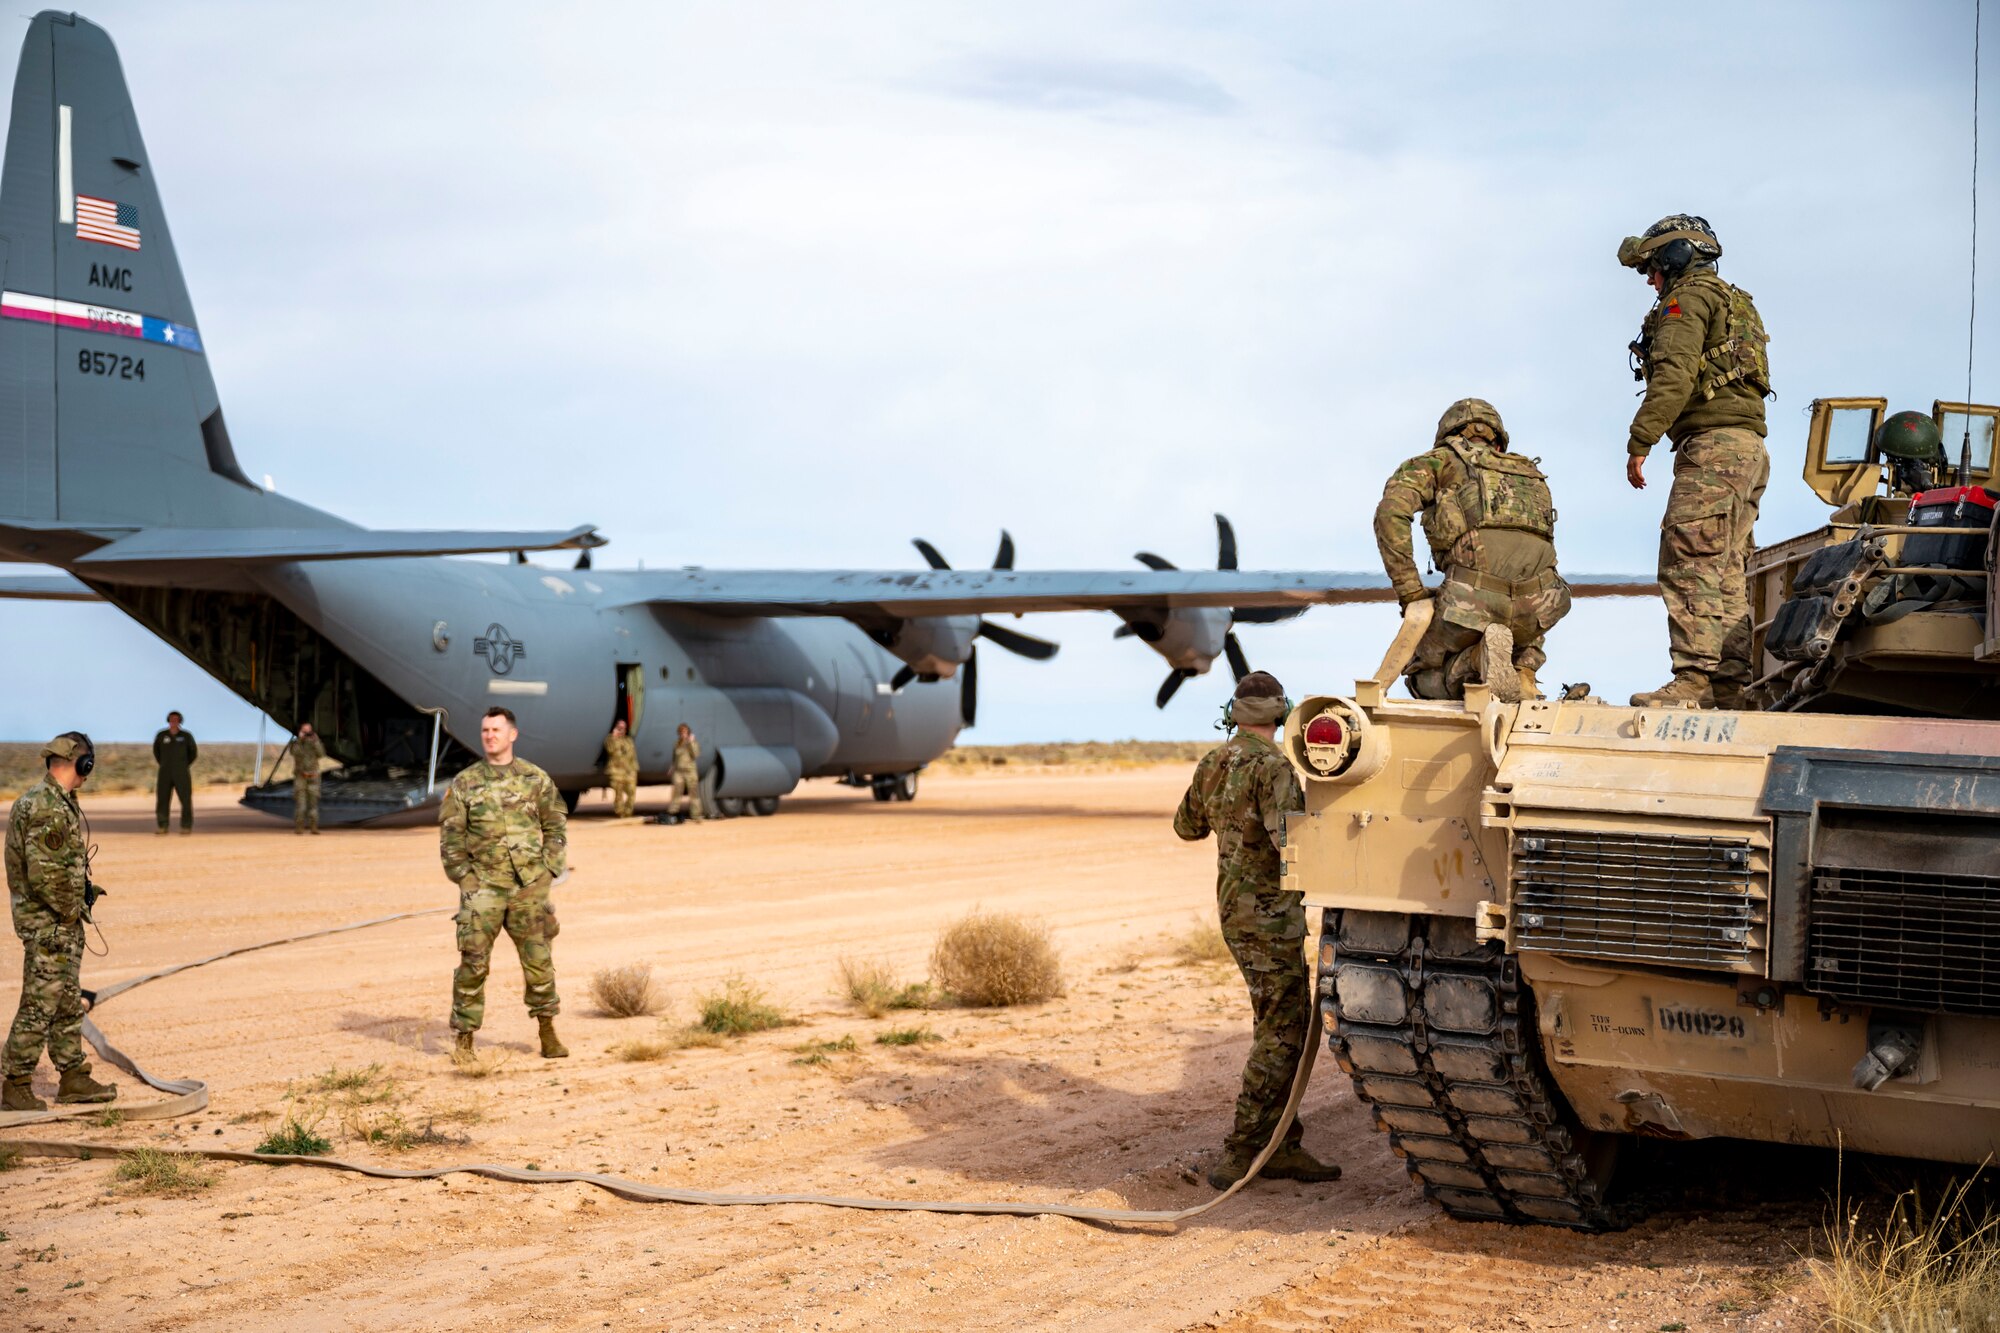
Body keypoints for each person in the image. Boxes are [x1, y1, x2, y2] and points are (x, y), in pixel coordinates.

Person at [1173, 672, 1340, 1189]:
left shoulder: (1212, 763)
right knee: (1282, 1030)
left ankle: (1282, 1143)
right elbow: (1290, 843)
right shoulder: (1274, 769)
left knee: (1274, 1021)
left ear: (1236, 712)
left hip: (1234, 912)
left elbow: (1186, 827)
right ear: (1280, 714)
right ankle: (1243, 1150)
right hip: (1269, 917)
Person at [1618, 213, 1772, 708]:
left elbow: (1675, 376)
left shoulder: (1687, 301)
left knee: (1688, 561)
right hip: (1748, 451)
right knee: (1726, 570)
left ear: (1675, 259)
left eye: (1653, 267)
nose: (1650, 279)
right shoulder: (1735, 300)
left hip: (1713, 451)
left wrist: (1641, 440)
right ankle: (1729, 686)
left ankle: (1692, 683)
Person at [1374, 397, 1569, 702]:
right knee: (1521, 607)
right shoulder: (1527, 473)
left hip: (1468, 601)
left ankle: (1477, 660)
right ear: (1498, 441)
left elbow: (1390, 514)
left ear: (1450, 435)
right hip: (1542, 607)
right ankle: (1525, 675)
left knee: (1422, 677)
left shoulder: (1438, 461)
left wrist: (1410, 592)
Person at [438, 707, 568, 1061]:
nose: (489, 735)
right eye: (485, 730)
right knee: (473, 964)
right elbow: (451, 838)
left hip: (529, 887)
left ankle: (547, 1032)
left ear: (513, 734)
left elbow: (556, 824)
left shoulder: (535, 778)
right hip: (484, 888)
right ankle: (464, 1040)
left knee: (539, 961)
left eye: (496, 729)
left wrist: (548, 872)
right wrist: (465, 879)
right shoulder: (465, 783)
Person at [3, 734, 117, 1110]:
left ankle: (73, 1078)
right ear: (79, 762)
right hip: (49, 927)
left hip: (60, 924)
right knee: (39, 1005)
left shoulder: (58, 802)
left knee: (67, 1002)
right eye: (89, 762)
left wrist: (83, 892)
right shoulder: (46, 807)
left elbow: (57, 869)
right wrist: (71, 908)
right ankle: (15, 1082)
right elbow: (45, 877)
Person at [152, 710, 197, 835]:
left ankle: (186, 826)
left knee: (186, 799)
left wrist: (183, 765)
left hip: (181, 772)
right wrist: (164, 763)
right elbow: (156, 752)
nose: (173, 721)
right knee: (162, 799)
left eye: (176, 719)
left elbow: (193, 753)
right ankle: (162, 825)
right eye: (171, 719)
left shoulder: (186, 736)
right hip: (165, 772)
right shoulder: (162, 736)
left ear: (180, 721)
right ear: (168, 720)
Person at [663, 723, 704, 824]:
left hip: (690, 772)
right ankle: (673, 812)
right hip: (679, 771)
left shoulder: (693, 742)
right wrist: (672, 767)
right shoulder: (676, 744)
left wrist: (691, 742)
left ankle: (696, 815)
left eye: (685, 732)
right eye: (681, 732)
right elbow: (674, 757)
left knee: (693, 794)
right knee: (676, 792)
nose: (683, 734)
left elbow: (696, 754)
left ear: (688, 732)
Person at [293, 722, 325, 835]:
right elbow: (294, 752)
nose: (307, 733)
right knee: (301, 806)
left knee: (313, 805)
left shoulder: (314, 743)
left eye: (309, 730)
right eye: (305, 730)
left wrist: (316, 741)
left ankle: (314, 828)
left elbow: (321, 754)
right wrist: (300, 740)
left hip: (313, 777)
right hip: (301, 777)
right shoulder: (296, 743)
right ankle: (299, 828)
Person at [602, 717, 638, 819]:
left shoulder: (628, 740)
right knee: (618, 794)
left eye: (623, 728)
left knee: (632, 792)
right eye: (619, 728)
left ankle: (628, 811)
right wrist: (614, 737)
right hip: (616, 771)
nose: (622, 730)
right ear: (616, 728)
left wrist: (634, 769)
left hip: (629, 771)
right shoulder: (610, 739)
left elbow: (633, 756)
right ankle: (621, 813)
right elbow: (610, 750)